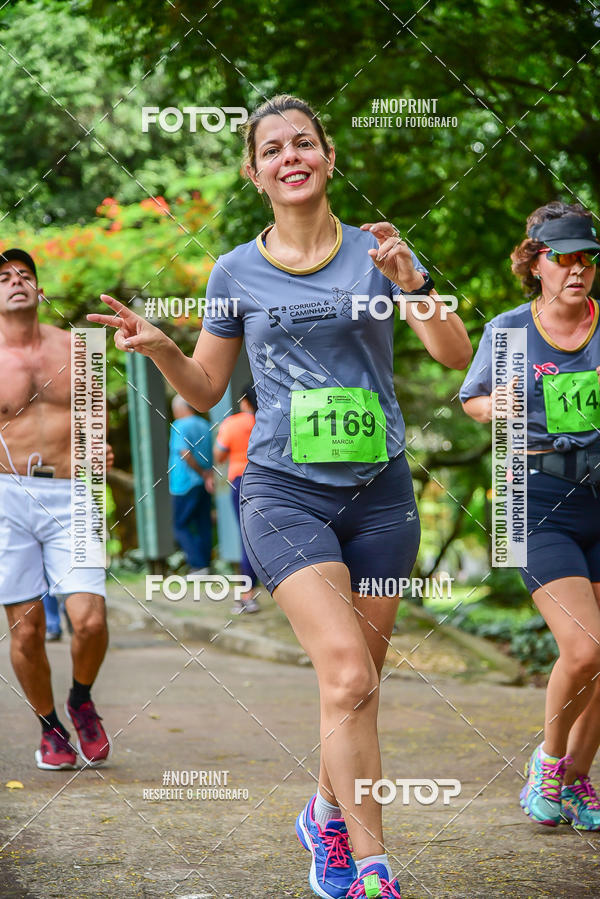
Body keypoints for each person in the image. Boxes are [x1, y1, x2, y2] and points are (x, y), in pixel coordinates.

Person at [88, 94, 472, 898]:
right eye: (273, 148)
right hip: (282, 492)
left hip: (382, 493)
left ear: (329, 159)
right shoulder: (234, 271)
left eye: (305, 142)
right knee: (346, 673)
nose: (290, 155)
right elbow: (206, 385)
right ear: (254, 170)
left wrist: (415, 281)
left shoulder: (380, 248)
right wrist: (162, 346)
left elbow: (451, 353)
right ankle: (374, 871)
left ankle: (327, 811)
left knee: (358, 678)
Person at [460, 201, 600, 831]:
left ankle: (576, 781)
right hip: (535, 497)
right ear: (535, 262)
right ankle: (548, 760)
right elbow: (472, 401)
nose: (576, 268)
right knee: (585, 646)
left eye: (586, 257)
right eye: (562, 256)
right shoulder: (510, 330)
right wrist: (497, 406)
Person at [0, 248, 112, 770]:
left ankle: (81, 699)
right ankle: (50, 728)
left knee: (88, 620)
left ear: (40, 291)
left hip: (76, 490)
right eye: (4, 277)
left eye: (25, 274)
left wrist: (101, 448)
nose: (16, 281)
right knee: (25, 628)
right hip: (7, 495)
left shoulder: (80, 347)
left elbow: (95, 416)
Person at [213, 383, 260, 613]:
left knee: (247, 537)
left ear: (244, 401)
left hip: (242, 481)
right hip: (271, 481)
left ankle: (246, 595)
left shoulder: (232, 423)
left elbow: (219, 455)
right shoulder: (269, 420)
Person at [169, 394, 214, 575]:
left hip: (184, 483)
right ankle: (206, 564)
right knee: (203, 522)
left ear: (180, 409)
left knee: (180, 524)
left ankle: (198, 565)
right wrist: (206, 474)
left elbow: (184, 453)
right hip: (204, 482)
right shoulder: (205, 425)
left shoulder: (179, 425)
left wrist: (199, 472)